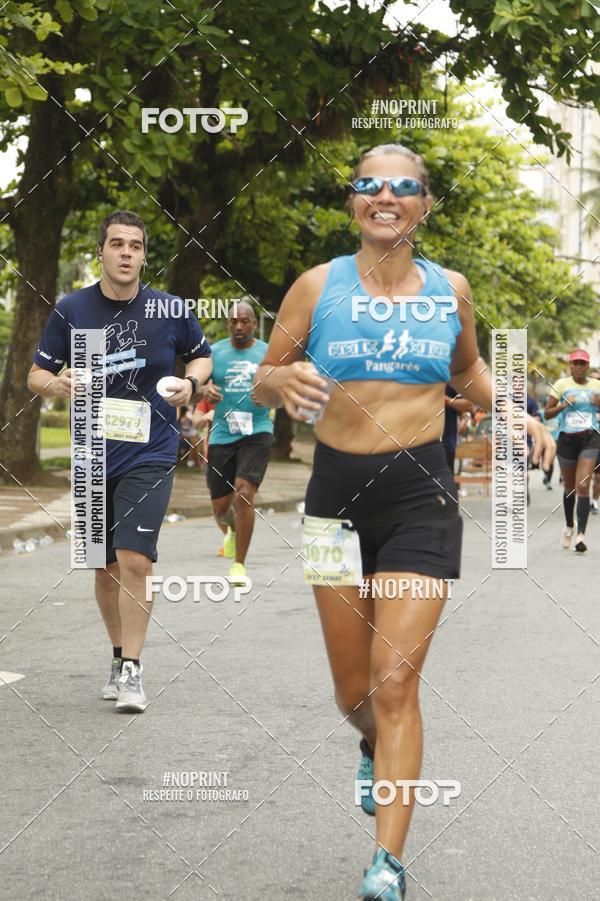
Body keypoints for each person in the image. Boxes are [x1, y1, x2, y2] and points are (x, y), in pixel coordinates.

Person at [253, 143, 554, 900]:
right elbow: (261, 377)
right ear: (354, 200)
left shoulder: (450, 289)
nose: (385, 197)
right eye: (369, 186)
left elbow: (468, 371)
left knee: (395, 682)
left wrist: (509, 410)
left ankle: (385, 863)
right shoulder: (316, 286)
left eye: (403, 188)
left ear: (423, 204)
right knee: (353, 690)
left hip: (421, 493)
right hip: (333, 500)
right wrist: (277, 378)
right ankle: (370, 744)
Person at [27, 210, 212, 712]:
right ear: (102, 252)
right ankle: (116, 657)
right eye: (117, 244)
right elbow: (35, 377)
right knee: (102, 566)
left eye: (135, 245)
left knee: (134, 557)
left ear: (144, 255)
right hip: (90, 452)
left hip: (151, 451)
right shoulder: (71, 309)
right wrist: (59, 383)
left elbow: (201, 356)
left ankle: (132, 669)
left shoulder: (169, 310)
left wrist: (189, 384)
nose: (126, 252)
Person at [199, 300, 274, 585]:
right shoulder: (214, 353)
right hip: (222, 433)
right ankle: (230, 530)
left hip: (257, 430)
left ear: (254, 324)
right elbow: (193, 389)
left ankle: (239, 565)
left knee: (244, 494)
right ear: (228, 324)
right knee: (220, 508)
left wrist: (270, 395)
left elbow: (281, 390)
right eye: (234, 322)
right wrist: (206, 390)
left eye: (245, 321)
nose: (239, 326)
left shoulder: (266, 352)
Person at [544, 349, 600, 552]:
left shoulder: (597, 386)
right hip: (567, 440)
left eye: (582, 364)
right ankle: (569, 526)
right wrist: (563, 405)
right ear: (570, 366)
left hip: (590, 439)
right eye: (575, 363)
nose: (578, 367)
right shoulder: (561, 385)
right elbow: (547, 413)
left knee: (583, 485)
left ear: (588, 366)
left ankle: (581, 535)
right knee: (570, 488)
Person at [441, 384, 475, 475]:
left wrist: (445, 400)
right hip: (418, 445)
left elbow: (469, 405)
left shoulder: (450, 380)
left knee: (447, 482)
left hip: (447, 444)